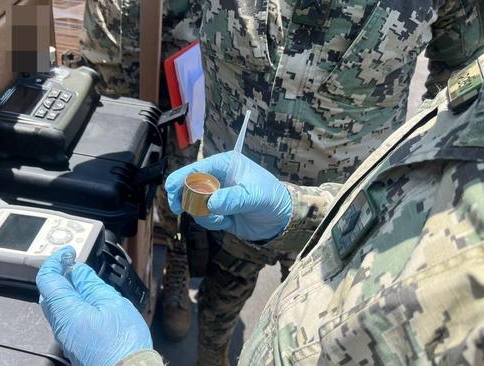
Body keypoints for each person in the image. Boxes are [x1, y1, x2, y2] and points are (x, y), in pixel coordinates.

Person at [37, 53, 484, 365]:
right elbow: (415, 194)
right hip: (288, 243)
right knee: (218, 305)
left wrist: (130, 363)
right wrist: (301, 213)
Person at [190, 1, 484, 363]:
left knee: (314, 317)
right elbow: (177, 21)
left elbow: (457, 79)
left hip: (350, 216)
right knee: (219, 299)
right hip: (234, 189)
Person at [75, 0, 203, 340]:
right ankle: (108, 266)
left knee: (182, 169)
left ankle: (178, 259)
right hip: (114, 38)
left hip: (184, 39)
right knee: (106, 162)